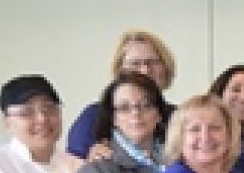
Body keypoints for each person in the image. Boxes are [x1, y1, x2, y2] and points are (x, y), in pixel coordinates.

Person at [66, 29, 176, 159]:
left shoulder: (179, 117)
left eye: (152, 62)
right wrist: (89, 163)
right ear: (120, 72)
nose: (145, 70)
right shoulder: (92, 117)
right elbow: (72, 168)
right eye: (135, 63)